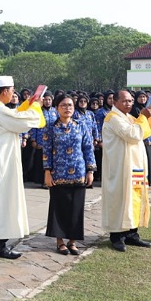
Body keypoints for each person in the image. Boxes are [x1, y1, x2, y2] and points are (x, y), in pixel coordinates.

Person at [0, 76, 44, 259]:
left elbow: (14, 115)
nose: (13, 93)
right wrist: (36, 106)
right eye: (12, 90)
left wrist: (26, 105)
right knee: (3, 203)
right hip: (2, 164)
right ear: (5, 91)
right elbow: (21, 122)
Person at [101, 90, 151, 252]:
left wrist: (147, 117)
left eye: (131, 101)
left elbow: (145, 132)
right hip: (120, 168)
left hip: (134, 166)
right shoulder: (113, 118)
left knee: (134, 198)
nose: (129, 104)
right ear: (114, 102)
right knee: (120, 199)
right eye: (124, 101)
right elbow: (133, 134)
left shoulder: (129, 117)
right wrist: (143, 117)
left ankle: (132, 233)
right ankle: (117, 236)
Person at [43, 96, 95, 255]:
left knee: (76, 209)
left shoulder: (81, 125)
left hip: (79, 172)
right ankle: (60, 242)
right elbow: (46, 151)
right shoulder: (51, 128)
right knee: (58, 207)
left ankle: (72, 242)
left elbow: (88, 148)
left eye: (70, 105)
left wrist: (90, 170)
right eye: (64, 105)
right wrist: (47, 171)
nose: (68, 108)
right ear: (57, 108)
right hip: (58, 173)